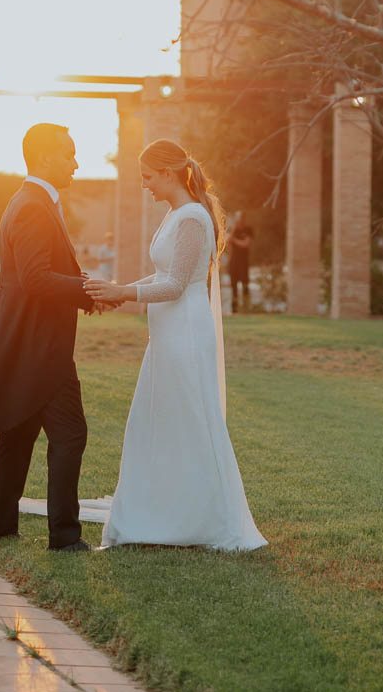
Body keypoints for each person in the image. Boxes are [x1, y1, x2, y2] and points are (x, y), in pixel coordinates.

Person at [85, 139, 266, 551]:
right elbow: (161, 276)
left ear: (169, 173)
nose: (145, 185)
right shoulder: (174, 214)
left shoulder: (192, 218)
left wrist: (122, 291)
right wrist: (118, 292)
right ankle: (160, 511)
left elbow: (176, 285)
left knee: (187, 422)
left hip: (185, 332)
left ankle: (198, 519)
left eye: (148, 177)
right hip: (166, 334)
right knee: (160, 421)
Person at [0, 123, 98, 554]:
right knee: (70, 435)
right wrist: (85, 289)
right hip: (40, 347)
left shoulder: (29, 201)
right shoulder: (33, 206)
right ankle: (65, 538)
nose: (76, 162)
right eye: (69, 154)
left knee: (16, 434)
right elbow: (35, 279)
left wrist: (81, 289)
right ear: (45, 158)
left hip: (25, 341)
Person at [226, 213, 253, 313]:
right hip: (233, 261)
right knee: (234, 285)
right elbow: (227, 241)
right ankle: (235, 309)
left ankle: (246, 308)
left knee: (245, 284)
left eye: (241, 217)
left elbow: (246, 244)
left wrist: (235, 240)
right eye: (237, 218)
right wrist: (233, 230)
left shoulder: (248, 230)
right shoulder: (232, 230)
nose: (239, 220)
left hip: (244, 261)